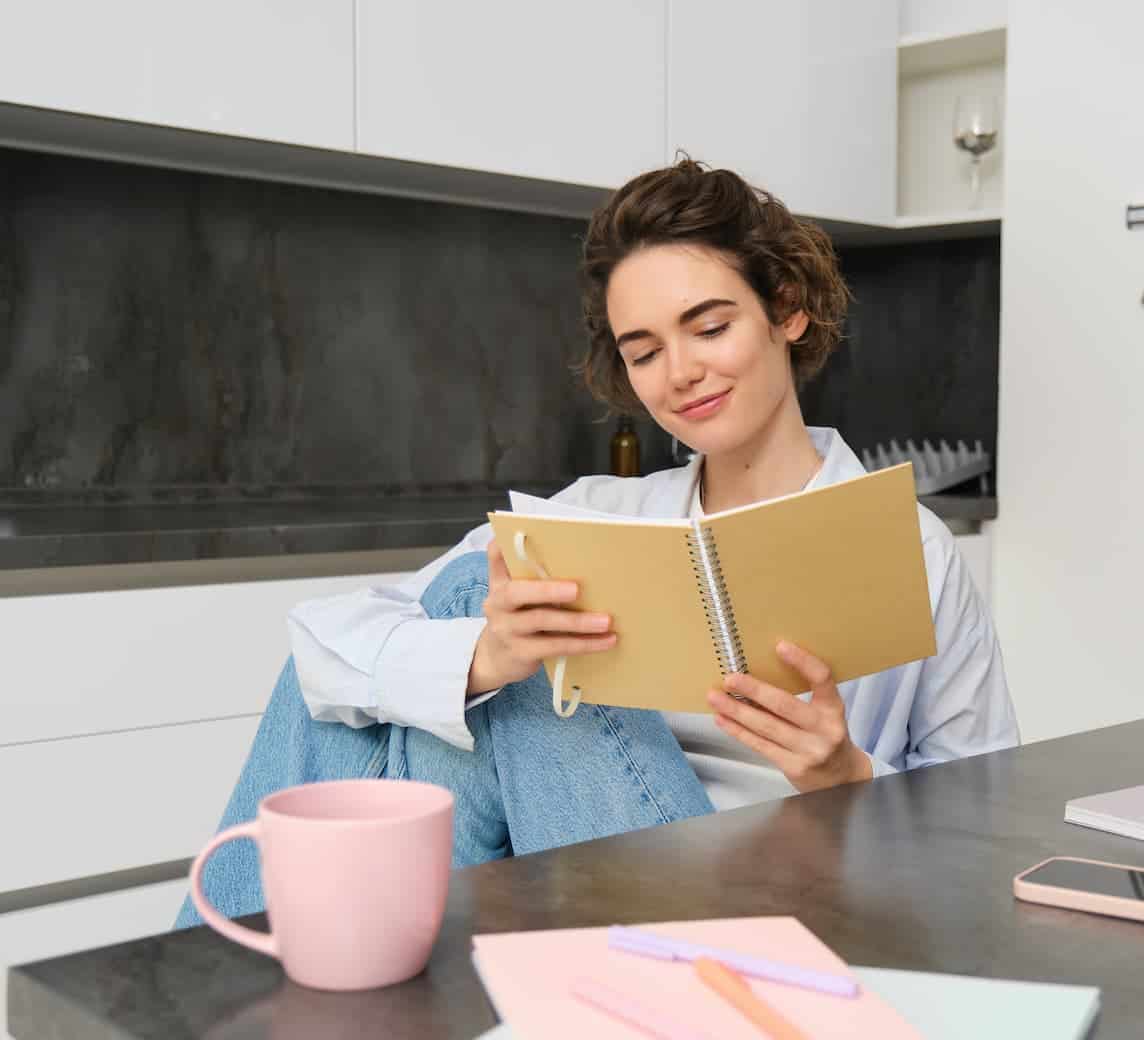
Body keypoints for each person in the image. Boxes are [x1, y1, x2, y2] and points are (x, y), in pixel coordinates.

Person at [175, 159, 1018, 929]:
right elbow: (317, 652)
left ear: (787, 311)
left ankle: (218, 977)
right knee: (475, 622)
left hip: (782, 907)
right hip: (574, 863)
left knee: (479, 621)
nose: (679, 372)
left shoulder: (910, 544)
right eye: (644, 351)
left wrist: (846, 780)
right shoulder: (596, 517)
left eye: (709, 327)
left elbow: (988, 823)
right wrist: (487, 659)